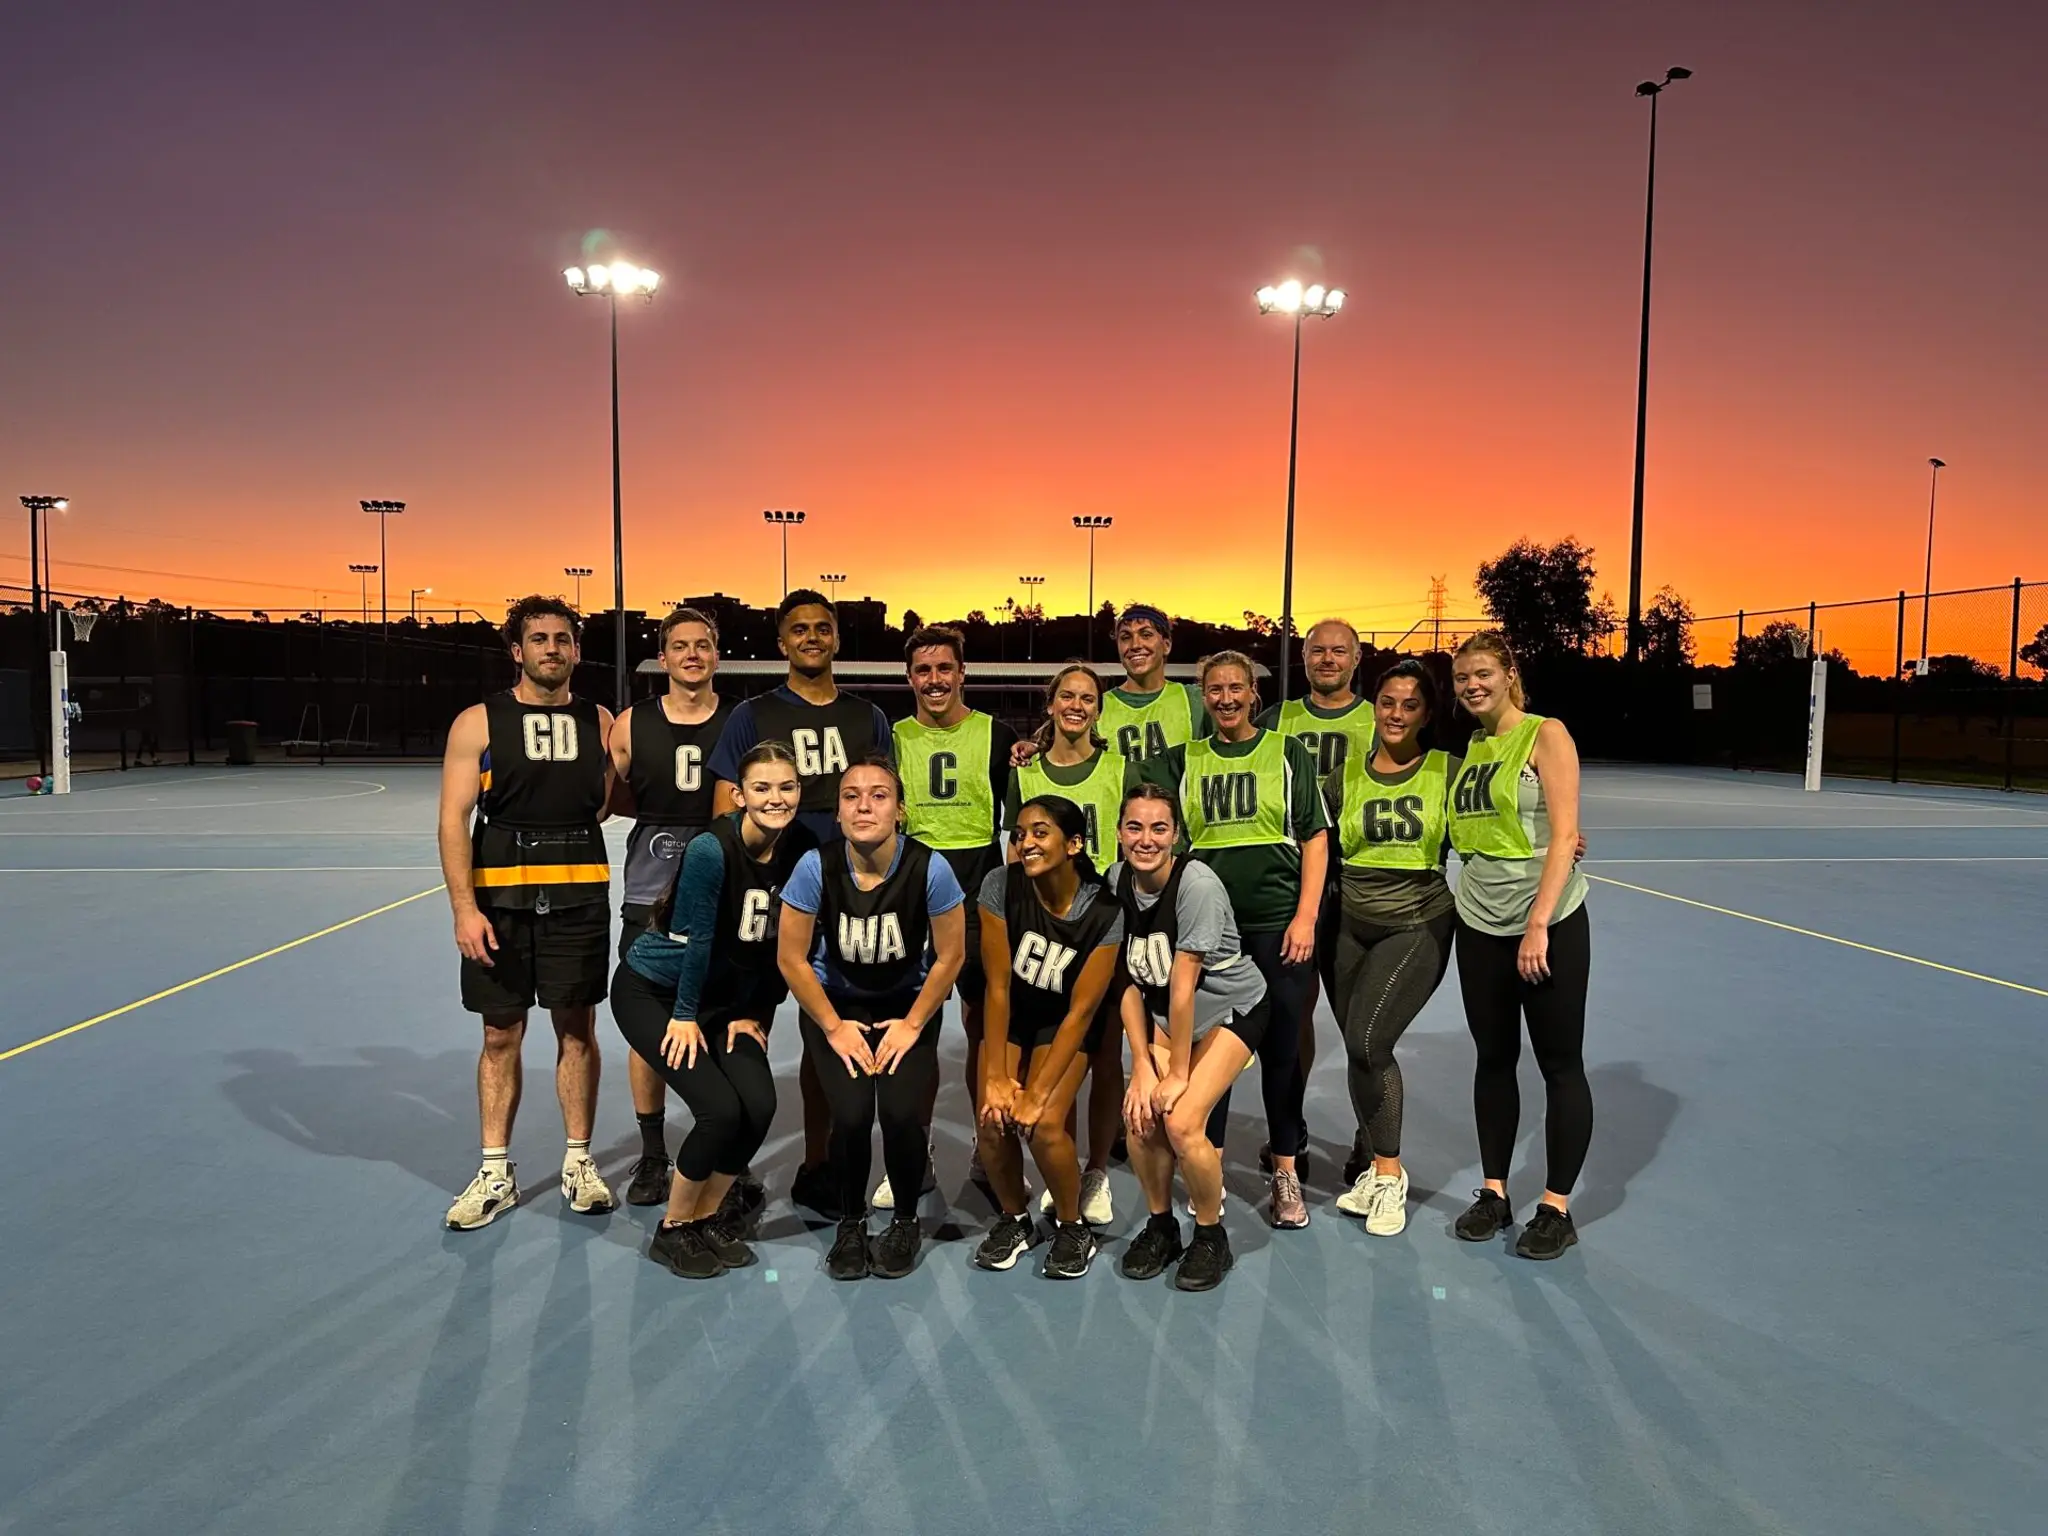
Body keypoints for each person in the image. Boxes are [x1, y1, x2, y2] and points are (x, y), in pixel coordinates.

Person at [708, 590, 893, 1220]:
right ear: (781, 642)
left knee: (824, 1033)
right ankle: (729, 1171)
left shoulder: (867, 717)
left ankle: (820, 1161)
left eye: (822, 628)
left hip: (842, 898)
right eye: (798, 630)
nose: (811, 638)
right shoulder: (752, 714)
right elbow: (724, 815)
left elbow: (883, 804)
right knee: (741, 1025)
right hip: (764, 901)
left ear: (837, 638)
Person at [438, 597, 617, 1230]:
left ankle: (578, 1160)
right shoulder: (478, 723)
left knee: (577, 1027)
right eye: (538, 639)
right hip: (499, 902)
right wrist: (464, 908)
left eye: (562, 639)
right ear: (517, 651)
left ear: (576, 650)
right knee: (498, 1033)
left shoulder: (601, 721)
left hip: (578, 894)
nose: (551, 648)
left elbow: (609, 800)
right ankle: (495, 1170)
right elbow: (452, 819)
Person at [1139, 650, 1329, 1228]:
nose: (1224, 699)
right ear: (1203, 695)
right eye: (1213, 689)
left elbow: (1315, 839)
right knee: (1205, 1049)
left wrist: (1306, 917)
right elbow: (1125, 796)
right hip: (1211, 933)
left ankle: (1286, 1166)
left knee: (1281, 1053)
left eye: (1235, 689)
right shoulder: (1182, 760)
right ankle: (1211, 1159)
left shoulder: (1285, 752)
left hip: (1276, 925)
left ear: (1253, 694)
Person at [609, 743, 814, 1278]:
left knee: (760, 1103)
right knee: (720, 1109)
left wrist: (748, 1011)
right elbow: (699, 941)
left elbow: (780, 945)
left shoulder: (802, 848)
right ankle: (673, 1229)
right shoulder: (709, 848)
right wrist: (684, 1015)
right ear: (739, 795)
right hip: (654, 992)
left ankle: (708, 1216)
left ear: (800, 791)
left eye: (786, 787)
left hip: (723, 1001)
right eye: (762, 788)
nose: (776, 798)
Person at [776, 758, 967, 1280]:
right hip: (837, 1008)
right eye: (851, 795)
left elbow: (950, 956)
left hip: (907, 1006)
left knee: (902, 1113)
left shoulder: (931, 868)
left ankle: (905, 1220)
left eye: (879, 795)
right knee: (854, 1114)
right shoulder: (815, 867)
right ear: (836, 812)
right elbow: (791, 958)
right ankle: (851, 1223)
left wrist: (913, 1024)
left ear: (900, 811)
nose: (864, 805)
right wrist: (833, 1027)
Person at [1446, 630, 1592, 1262]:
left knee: (1559, 1064)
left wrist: (1538, 923)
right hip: (1479, 922)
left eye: (1482, 673)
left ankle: (1556, 1206)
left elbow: (1565, 836)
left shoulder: (1546, 733)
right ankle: (1494, 1191)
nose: (1472, 685)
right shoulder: (1476, 747)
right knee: (1493, 1059)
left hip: (1547, 923)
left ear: (1508, 671)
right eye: (1460, 678)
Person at [878, 625, 1017, 1210]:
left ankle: (989, 1151)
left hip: (981, 898)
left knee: (987, 1030)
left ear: (963, 673)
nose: (934, 680)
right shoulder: (892, 739)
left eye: (944, 669)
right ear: (909, 678)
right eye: (923, 671)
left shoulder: (997, 736)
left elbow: (1025, 821)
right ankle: (917, 1151)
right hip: (915, 899)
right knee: (914, 1031)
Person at [1110, 784, 1270, 1291]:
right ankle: (1162, 1226)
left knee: (1180, 1121)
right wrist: (1140, 1064)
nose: (1146, 838)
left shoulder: (1195, 885)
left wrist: (1176, 1073)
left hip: (1230, 1009)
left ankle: (1209, 1234)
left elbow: (1183, 984)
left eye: (1159, 827)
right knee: (1138, 1115)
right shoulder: (1117, 881)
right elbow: (1128, 983)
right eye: (1135, 826)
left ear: (1177, 835)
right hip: (1164, 1015)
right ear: (1119, 833)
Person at [1322, 659, 1459, 1235]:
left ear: (1427, 713)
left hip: (1416, 924)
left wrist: (1559, 835)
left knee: (1369, 1041)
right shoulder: (1342, 777)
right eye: (1387, 702)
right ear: (1373, 707)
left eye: (1410, 704)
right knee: (1358, 1054)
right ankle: (1373, 1168)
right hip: (1347, 926)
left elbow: (1500, 821)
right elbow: (1315, 852)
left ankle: (1389, 1175)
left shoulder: (1449, 772)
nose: (1396, 714)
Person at [606, 606, 734, 1208]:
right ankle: (653, 1154)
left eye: (702, 645)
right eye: (679, 646)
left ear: (716, 654)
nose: (691, 655)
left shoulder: (738, 723)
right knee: (649, 1027)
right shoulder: (632, 723)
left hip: (718, 888)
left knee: (715, 1014)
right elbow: (605, 798)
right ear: (663, 657)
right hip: (648, 889)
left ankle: (723, 1139)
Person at [1008, 661, 1139, 1226]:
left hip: (1103, 923)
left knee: (1106, 1052)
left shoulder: (1120, 769)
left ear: (1098, 709)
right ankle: (1025, 1152)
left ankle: (1098, 1170)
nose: (1077, 705)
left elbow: (1136, 840)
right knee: (1043, 1032)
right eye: (1067, 696)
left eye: (1088, 697)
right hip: (1042, 927)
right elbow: (1013, 853)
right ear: (1052, 704)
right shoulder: (1024, 770)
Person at [973, 795, 1124, 1278]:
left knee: (1042, 1125)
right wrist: (996, 1075)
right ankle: (1015, 1217)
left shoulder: (1104, 911)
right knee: (992, 1117)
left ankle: (1071, 1223)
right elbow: (996, 987)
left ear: (1074, 844)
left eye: (1040, 833)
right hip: (1014, 1014)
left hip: (1064, 1024)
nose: (1026, 843)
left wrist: (1036, 1094)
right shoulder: (1001, 885)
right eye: (1019, 834)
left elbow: (1081, 1012)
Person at [1254, 617, 1376, 1174]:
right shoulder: (1279, 719)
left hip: (1356, 883)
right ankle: (1291, 1132)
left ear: (1356, 660)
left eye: (1339, 651)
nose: (1327, 659)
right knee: (1291, 1016)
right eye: (1317, 650)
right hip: (1295, 884)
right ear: (1302, 658)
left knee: (1360, 1021)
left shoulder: (1380, 719)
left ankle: (1373, 1134)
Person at [1098, 604, 1208, 763]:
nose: (1135, 645)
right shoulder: (1098, 707)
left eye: (1146, 634)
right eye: (1125, 637)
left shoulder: (1195, 700)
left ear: (1166, 645)